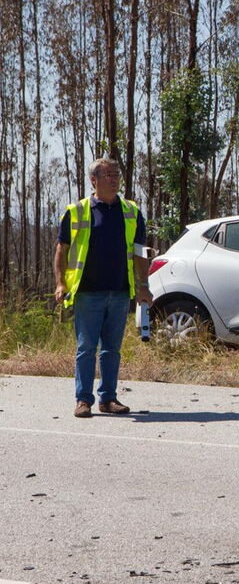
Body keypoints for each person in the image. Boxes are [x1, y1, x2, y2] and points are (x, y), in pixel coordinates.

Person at [54, 158, 153, 418]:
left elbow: (141, 252)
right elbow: (61, 250)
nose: (114, 179)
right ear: (94, 180)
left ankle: (108, 398)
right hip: (88, 292)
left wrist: (144, 286)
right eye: (108, 175)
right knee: (86, 348)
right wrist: (61, 282)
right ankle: (83, 400)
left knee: (112, 349)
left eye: (117, 175)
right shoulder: (77, 211)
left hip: (120, 291)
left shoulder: (131, 211)